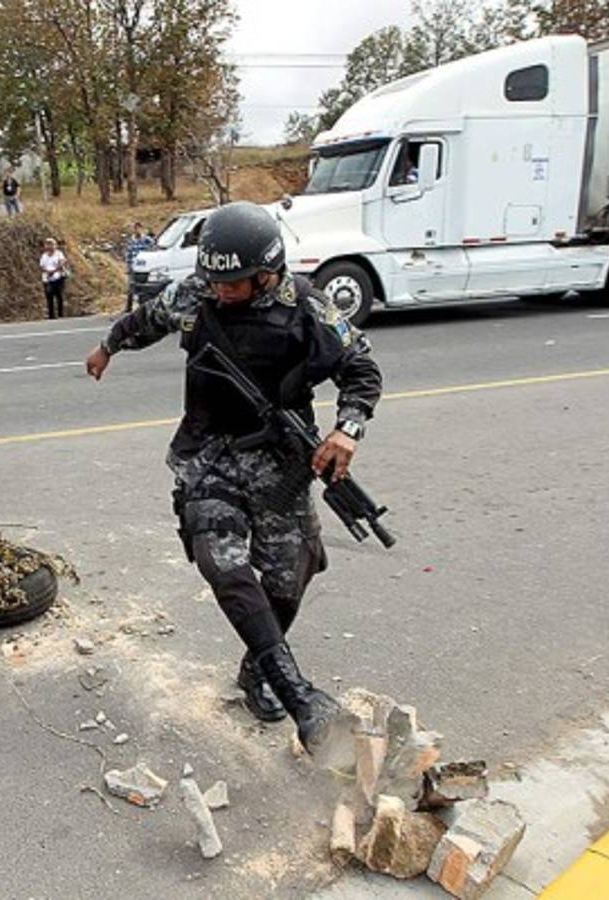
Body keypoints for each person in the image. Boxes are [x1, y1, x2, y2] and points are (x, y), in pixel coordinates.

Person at [84, 202, 383, 756]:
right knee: (220, 561)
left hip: (280, 461)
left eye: (233, 283)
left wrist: (347, 430)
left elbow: (361, 368)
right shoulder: (198, 293)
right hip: (208, 453)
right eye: (213, 279)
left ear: (267, 273)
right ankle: (300, 697)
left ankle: (258, 667)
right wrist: (107, 347)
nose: (219, 291)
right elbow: (145, 319)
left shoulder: (309, 307)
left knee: (291, 576)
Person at [123, 220, 155, 312]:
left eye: (139, 228)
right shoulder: (131, 241)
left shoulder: (147, 240)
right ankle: (128, 307)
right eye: (135, 228)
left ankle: (142, 306)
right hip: (134, 266)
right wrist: (128, 266)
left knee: (142, 286)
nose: (137, 230)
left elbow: (153, 248)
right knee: (131, 286)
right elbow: (129, 254)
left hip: (144, 266)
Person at [39, 237, 68, 319]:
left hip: (58, 277)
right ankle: (51, 315)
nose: (49, 246)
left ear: (55, 245)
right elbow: (41, 266)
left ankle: (60, 314)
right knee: (49, 297)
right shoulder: (44, 256)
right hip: (47, 279)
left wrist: (54, 271)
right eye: (47, 244)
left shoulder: (59, 254)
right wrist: (47, 272)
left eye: (51, 244)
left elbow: (62, 263)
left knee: (59, 296)